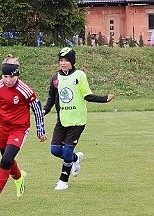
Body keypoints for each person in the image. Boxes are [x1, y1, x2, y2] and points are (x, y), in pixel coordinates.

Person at [43, 47, 114, 190]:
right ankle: (76, 158)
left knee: (67, 151)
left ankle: (63, 181)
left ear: (72, 61)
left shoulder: (80, 75)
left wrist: (104, 99)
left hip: (77, 121)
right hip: (62, 120)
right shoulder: (55, 78)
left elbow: (87, 95)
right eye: (61, 60)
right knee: (55, 150)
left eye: (66, 60)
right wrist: (45, 109)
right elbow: (52, 97)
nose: (63, 63)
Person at [0, 54, 47, 205]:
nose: (8, 80)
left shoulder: (26, 90)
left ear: (17, 75)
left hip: (20, 129)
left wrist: (40, 130)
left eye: (11, 77)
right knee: (7, 159)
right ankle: (19, 177)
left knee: (6, 160)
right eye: (5, 76)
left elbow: (37, 108)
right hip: (3, 128)